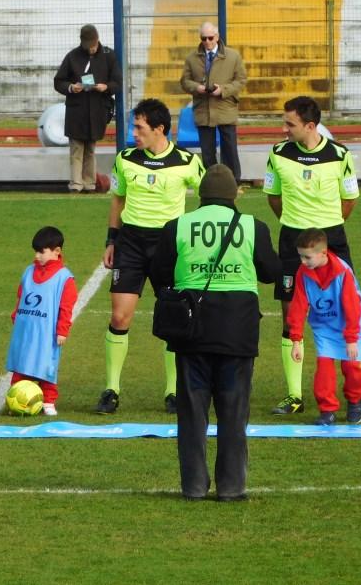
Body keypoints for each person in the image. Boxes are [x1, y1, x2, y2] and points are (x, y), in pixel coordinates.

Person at [150, 164, 280, 501]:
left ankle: (193, 486)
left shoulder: (177, 226)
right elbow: (270, 272)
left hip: (191, 330)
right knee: (234, 414)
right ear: (233, 195)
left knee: (192, 413)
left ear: (201, 195)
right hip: (238, 330)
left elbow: (160, 272)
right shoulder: (254, 227)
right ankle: (231, 486)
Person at [262, 96, 361, 416]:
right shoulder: (278, 154)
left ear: (310, 126)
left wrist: (326, 230)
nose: (284, 129)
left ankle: (359, 391)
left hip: (332, 238)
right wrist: (295, 225)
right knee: (289, 313)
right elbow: (274, 197)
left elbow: (349, 199)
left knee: (350, 312)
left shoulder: (340, 155)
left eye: (290, 124)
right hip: (292, 239)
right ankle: (294, 395)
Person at [98, 98, 205, 415]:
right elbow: (118, 200)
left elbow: (210, 195)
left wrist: (194, 238)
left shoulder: (187, 161)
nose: (134, 133)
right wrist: (111, 239)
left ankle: (173, 392)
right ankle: (111, 390)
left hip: (169, 245)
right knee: (120, 317)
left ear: (159, 129)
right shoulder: (125, 159)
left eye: (139, 127)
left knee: (173, 319)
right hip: (130, 244)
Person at [287, 228, 361, 426]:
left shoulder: (343, 272)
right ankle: (327, 409)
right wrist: (296, 340)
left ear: (323, 253)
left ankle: (355, 401)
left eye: (307, 257)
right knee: (324, 367)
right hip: (324, 325)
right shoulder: (303, 273)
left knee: (351, 367)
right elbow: (298, 305)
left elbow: (352, 306)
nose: (303, 262)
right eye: (301, 257)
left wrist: (351, 338)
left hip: (350, 323)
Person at [5, 226, 77, 417]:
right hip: (26, 329)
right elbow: (22, 295)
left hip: (46, 333)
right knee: (21, 365)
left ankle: (48, 400)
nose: (37, 256)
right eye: (35, 251)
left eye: (41, 252)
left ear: (57, 251)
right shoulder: (29, 271)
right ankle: (17, 399)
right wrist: (16, 314)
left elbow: (66, 307)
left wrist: (62, 330)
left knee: (46, 365)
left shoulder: (65, 278)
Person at [53, 24, 121, 193]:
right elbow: (59, 81)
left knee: (90, 148)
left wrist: (106, 87)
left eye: (93, 45)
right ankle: (76, 184)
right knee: (77, 148)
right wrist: (71, 87)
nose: (90, 49)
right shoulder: (72, 56)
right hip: (77, 110)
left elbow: (117, 82)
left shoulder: (109, 56)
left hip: (98, 109)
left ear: (97, 40)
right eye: (87, 46)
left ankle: (90, 183)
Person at [179, 22, 248, 181]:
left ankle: (233, 181)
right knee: (207, 151)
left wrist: (223, 90)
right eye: (204, 38)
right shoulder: (191, 58)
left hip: (225, 107)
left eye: (211, 38)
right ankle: (212, 182)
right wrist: (197, 87)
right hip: (203, 109)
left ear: (217, 37)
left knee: (229, 148)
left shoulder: (233, 56)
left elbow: (241, 80)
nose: (208, 42)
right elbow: (184, 81)